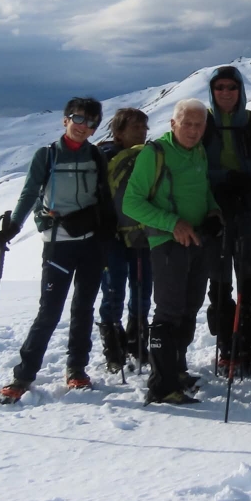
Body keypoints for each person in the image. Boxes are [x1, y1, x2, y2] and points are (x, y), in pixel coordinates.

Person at [0, 97, 114, 403]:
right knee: (49, 310)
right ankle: (23, 375)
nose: (83, 126)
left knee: (83, 307)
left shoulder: (96, 157)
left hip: (91, 243)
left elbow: (104, 198)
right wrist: (14, 225)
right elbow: (29, 193)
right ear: (66, 120)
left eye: (90, 122)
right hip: (58, 244)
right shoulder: (46, 156)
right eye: (78, 119)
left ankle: (77, 368)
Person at [123, 98, 222, 405]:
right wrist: (173, 223)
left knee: (189, 308)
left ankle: (176, 370)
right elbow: (132, 203)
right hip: (166, 243)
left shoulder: (198, 151)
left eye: (199, 125)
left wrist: (214, 214)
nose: (193, 130)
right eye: (187, 124)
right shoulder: (155, 154)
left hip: (197, 241)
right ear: (173, 124)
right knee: (168, 312)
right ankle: (161, 384)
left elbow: (202, 190)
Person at [202, 65, 251, 373]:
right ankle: (228, 342)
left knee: (249, 280)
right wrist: (223, 178)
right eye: (220, 87)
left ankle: (250, 342)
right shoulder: (202, 123)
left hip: (247, 207)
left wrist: (246, 182)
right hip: (212, 210)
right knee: (219, 282)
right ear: (212, 92)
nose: (226, 92)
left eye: (231, 87)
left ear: (240, 90)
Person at [96, 107, 153, 372]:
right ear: (118, 132)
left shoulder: (147, 156)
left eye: (144, 127)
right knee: (115, 291)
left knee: (141, 291)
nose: (142, 132)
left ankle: (134, 341)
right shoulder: (103, 159)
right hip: (115, 235)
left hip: (138, 233)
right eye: (135, 128)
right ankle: (116, 344)